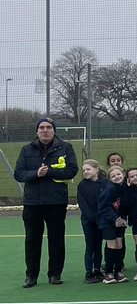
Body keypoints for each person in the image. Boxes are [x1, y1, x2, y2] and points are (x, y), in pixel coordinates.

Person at [13, 118, 79, 288]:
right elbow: (19, 174)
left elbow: (72, 171)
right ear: (37, 131)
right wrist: (36, 174)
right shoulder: (26, 149)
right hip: (32, 202)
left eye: (48, 127)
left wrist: (49, 172)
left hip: (56, 201)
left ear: (53, 131)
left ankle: (55, 274)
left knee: (56, 238)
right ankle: (31, 275)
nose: (45, 130)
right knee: (32, 239)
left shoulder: (65, 148)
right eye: (41, 128)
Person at [97, 166, 130, 284]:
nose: (117, 177)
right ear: (110, 178)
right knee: (112, 246)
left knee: (120, 245)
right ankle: (109, 274)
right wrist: (115, 219)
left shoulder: (124, 188)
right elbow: (103, 207)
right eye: (113, 176)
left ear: (123, 174)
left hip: (120, 222)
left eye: (118, 174)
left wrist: (123, 219)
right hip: (108, 222)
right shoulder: (109, 188)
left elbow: (125, 206)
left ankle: (118, 271)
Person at [76, 160, 105, 284]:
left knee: (98, 245)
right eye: (84, 170)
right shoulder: (82, 185)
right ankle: (89, 272)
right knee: (90, 246)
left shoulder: (104, 183)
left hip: (101, 220)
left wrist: (101, 217)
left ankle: (97, 269)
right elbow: (83, 204)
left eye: (88, 169)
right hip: (88, 221)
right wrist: (92, 217)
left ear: (96, 169)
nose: (85, 172)